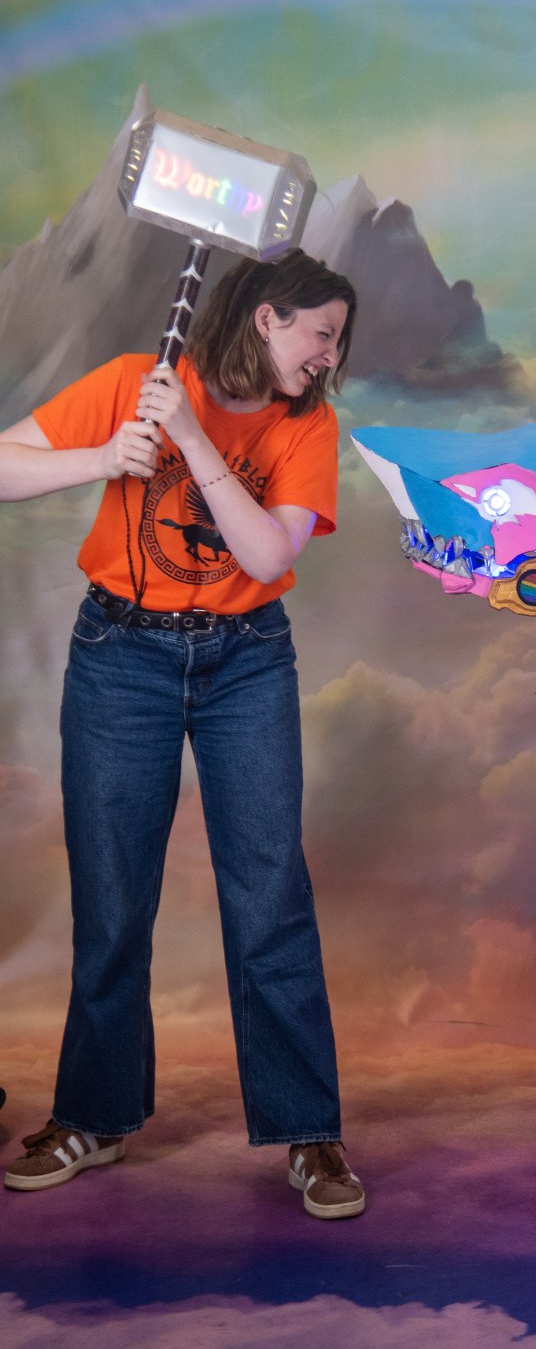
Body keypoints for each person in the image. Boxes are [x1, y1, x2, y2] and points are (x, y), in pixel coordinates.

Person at [0, 248, 364, 1219]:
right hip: (120, 656)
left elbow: (267, 553)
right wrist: (102, 458)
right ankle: (94, 1116)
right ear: (267, 318)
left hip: (248, 661)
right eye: (322, 334)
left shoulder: (306, 422)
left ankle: (308, 1130)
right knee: (112, 893)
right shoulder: (138, 381)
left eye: (337, 341)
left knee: (269, 893)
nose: (329, 357)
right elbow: (3, 463)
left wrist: (194, 441)